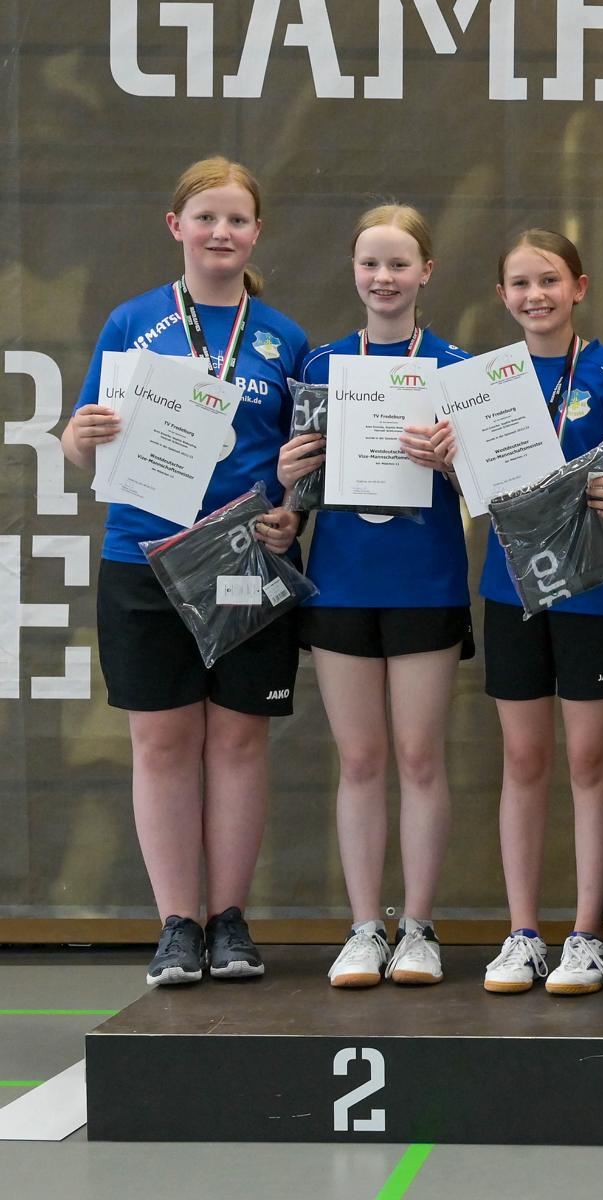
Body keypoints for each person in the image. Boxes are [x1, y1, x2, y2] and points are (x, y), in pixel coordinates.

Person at [62, 156, 308, 985]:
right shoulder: (132, 322)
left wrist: (292, 511)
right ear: (176, 226)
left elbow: (300, 461)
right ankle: (177, 924)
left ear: (256, 232)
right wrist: (81, 436)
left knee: (237, 740)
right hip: (144, 558)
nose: (220, 232)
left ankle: (229, 920)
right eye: (206, 217)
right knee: (162, 742)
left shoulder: (283, 338)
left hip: (244, 557)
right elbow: (79, 440)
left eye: (236, 219)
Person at [280, 204, 469, 989]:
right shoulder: (323, 366)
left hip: (426, 583)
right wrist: (289, 476)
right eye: (370, 264)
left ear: (426, 272)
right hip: (341, 585)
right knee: (359, 760)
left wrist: (455, 462)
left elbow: (494, 488)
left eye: (398, 264)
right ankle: (364, 927)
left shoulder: (456, 368)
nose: (383, 278)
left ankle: (418, 927)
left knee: (419, 758)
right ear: (353, 272)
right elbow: (295, 494)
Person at [476, 231, 603, 996]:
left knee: (587, 761)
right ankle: (522, 933)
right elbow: (464, 478)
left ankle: (587, 933)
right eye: (520, 283)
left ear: (579, 287)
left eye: (548, 280)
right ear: (501, 296)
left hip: (593, 592)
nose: (534, 295)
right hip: (508, 589)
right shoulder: (482, 382)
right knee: (523, 760)